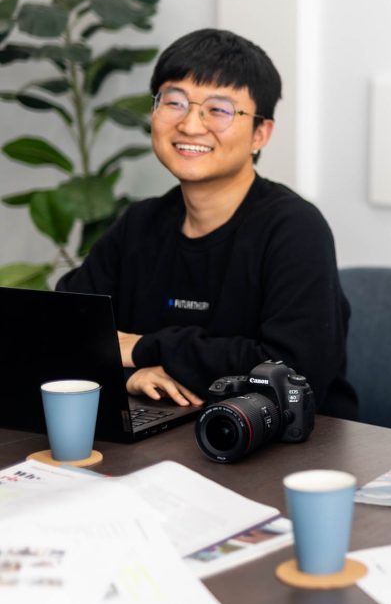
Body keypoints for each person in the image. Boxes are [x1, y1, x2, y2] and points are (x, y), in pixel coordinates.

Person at [57, 28, 357, 419]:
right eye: (174, 102)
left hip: (290, 441)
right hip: (168, 434)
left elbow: (293, 372)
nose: (190, 125)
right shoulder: (139, 224)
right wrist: (126, 375)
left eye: (218, 110)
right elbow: (61, 330)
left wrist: (146, 347)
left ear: (260, 133)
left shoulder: (294, 228)